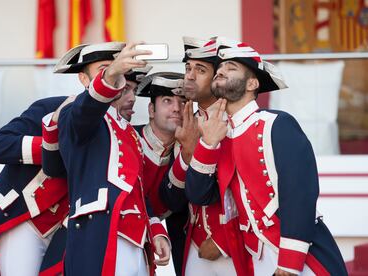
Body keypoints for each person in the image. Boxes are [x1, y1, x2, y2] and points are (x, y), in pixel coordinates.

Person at [185, 37, 348, 275]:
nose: (221, 71)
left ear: (252, 84)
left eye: (231, 68)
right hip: (255, 258)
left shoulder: (276, 124)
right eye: (219, 69)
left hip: (297, 256)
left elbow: (300, 192)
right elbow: (199, 195)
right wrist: (207, 144)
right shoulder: (218, 134)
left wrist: (289, 263)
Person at [51, 41, 171, 275]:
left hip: (137, 240)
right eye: (103, 68)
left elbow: (135, 190)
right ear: (84, 80)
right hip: (101, 234)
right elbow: (85, 113)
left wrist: (156, 230)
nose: (116, 75)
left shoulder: (127, 130)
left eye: (118, 69)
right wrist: (113, 72)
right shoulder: (73, 111)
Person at [160, 36, 251, 275]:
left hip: (233, 246)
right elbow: (173, 201)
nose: (189, 75)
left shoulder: (237, 121)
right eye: (187, 68)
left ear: (218, 76)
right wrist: (188, 155)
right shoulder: (185, 121)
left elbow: (253, 190)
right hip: (192, 244)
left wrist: (223, 241)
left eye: (200, 70)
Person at [0, 94, 71, 276]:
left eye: (131, 88)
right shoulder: (53, 107)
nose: (129, 96)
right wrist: (51, 149)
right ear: (83, 78)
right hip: (25, 218)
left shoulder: (124, 131)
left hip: (72, 226)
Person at [135, 72, 188, 275]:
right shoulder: (128, 139)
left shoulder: (188, 150)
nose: (176, 108)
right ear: (151, 109)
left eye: (182, 102)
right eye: (167, 101)